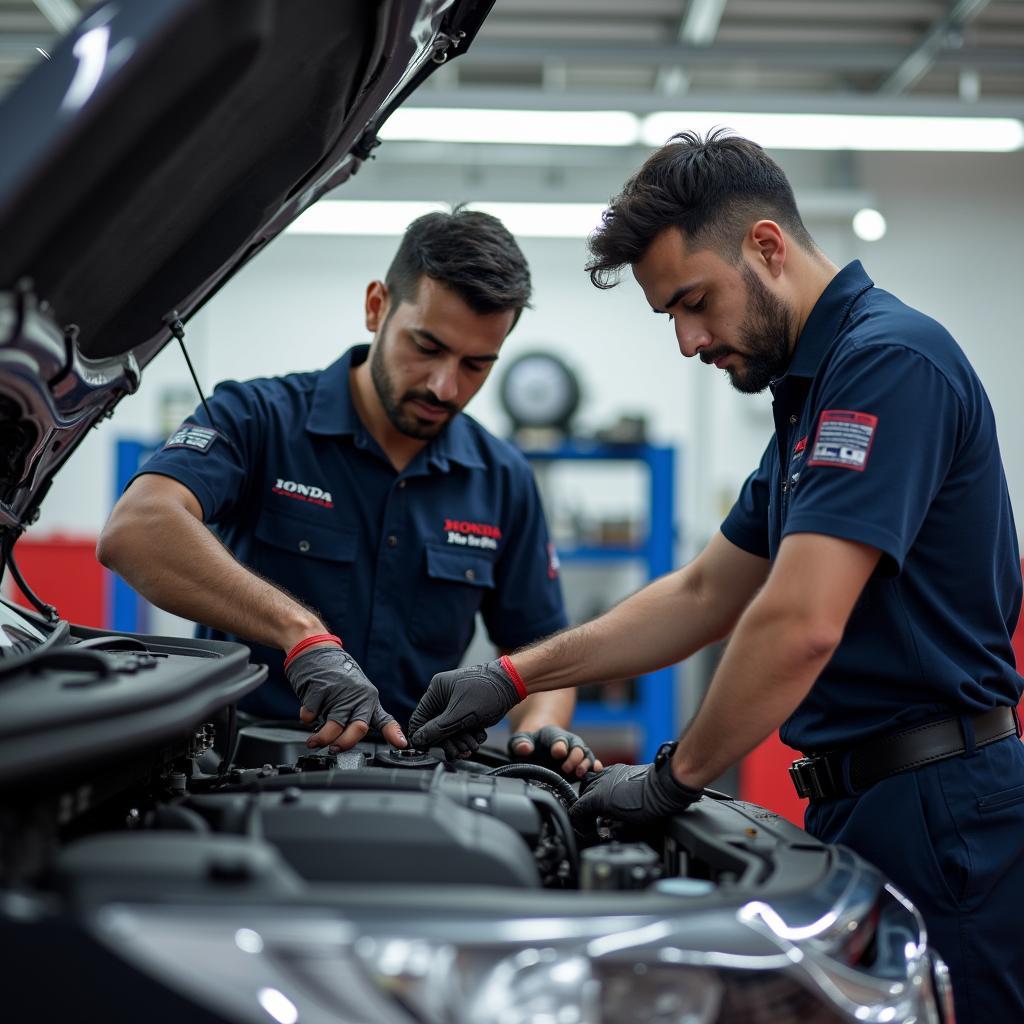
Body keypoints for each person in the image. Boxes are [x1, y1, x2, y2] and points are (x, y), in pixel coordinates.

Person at [407, 132, 1024, 1022]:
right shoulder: (810, 400)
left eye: (696, 302)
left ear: (767, 247)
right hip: (869, 804)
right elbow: (705, 593)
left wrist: (674, 777)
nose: (690, 341)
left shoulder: (888, 363)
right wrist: (511, 676)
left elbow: (799, 618)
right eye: (671, 317)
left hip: (943, 810)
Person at [98, 207, 600, 778]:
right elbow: (136, 529)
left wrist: (538, 732)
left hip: (412, 785)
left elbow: (543, 657)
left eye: (475, 365)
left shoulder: (502, 477)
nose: (445, 385)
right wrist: (301, 636)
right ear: (376, 307)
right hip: (240, 775)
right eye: (427, 347)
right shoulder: (257, 419)